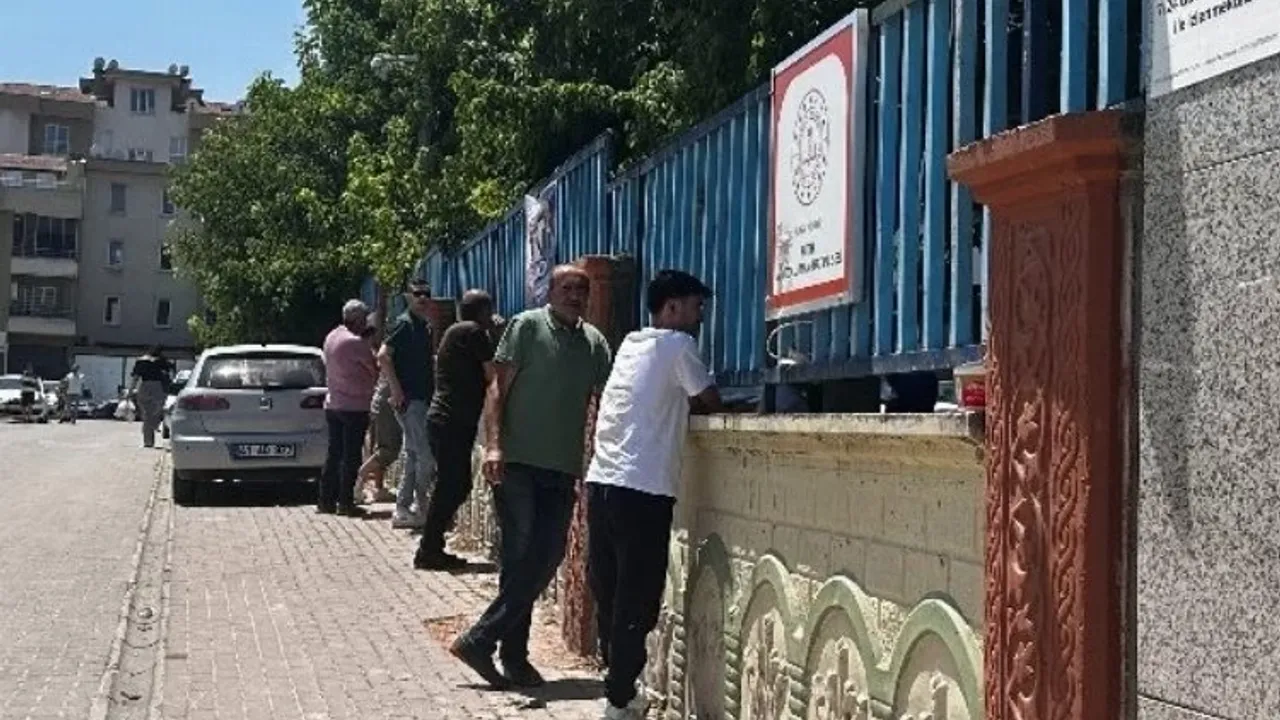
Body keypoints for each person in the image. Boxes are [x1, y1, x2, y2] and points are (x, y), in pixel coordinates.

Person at [451, 265, 612, 689]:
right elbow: (497, 388)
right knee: (521, 557)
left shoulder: (594, 343)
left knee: (548, 556)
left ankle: (481, 640)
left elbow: (605, 402)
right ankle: (514, 658)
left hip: (563, 467)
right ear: (551, 291)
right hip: (518, 462)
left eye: (582, 289)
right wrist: (494, 445)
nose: (575, 295)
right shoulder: (526, 326)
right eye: (567, 287)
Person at [585, 270, 723, 719]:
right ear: (672, 307)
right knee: (638, 597)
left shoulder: (631, 344)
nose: (700, 317)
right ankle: (620, 700)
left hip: (602, 483)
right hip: (643, 489)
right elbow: (708, 399)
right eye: (696, 307)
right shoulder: (678, 345)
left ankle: (619, 686)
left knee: (610, 593)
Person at [414, 289, 497, 570]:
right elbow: (491, 374)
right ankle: (429, 548)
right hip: (452, 421)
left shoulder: (456, 331)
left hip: (446, 420)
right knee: (454, 485)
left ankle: (431, 545)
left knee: (453, 484)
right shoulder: (472, 332)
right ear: (483, 312)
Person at [378, 277, 436, 529]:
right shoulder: (404, 324)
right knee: (425, 456)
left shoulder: (423, 325)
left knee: (413, 454)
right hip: (411, 400)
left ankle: (404, 508)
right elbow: (383, 356)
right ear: (408, 297)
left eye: (426, 294)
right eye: (417, 294)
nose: (422, 298)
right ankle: (420, 506)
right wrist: (396, 389)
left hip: (420, 397)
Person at [319, 300, 379, 516]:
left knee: (334, 453)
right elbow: (374, 367)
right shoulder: (355, 342)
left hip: (334, 402)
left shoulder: (331, 336)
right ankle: (345, 502)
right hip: (354, 405)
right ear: (357, 320)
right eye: (363, 320)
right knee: (351, 456)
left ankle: (326, 500)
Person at [130, 347, 173, 446]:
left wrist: (130, 391)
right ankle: (152, 427)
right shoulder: (162, 362)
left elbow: (135, 378)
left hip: (144, 387)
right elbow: (168, 377)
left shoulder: (141, 361)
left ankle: (148, 440)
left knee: (147, 414)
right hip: (158, 388)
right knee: (155, 413)